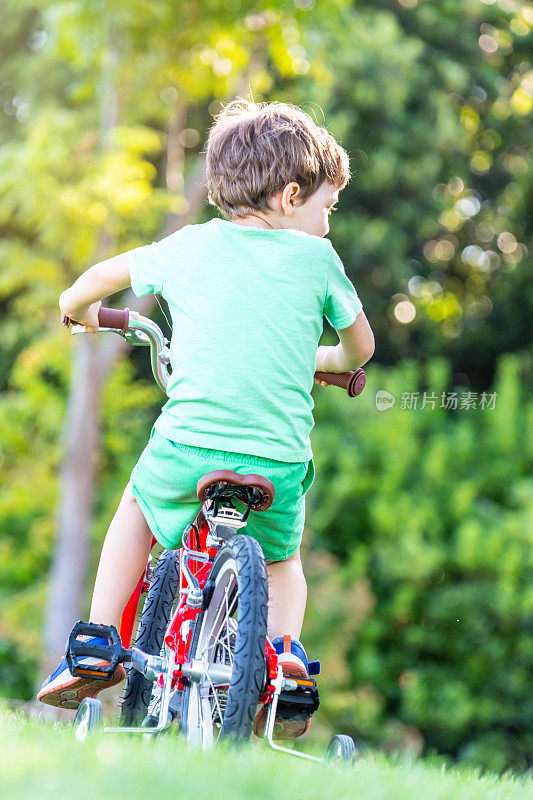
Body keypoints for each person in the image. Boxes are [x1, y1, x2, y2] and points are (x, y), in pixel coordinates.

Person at [37, 97, 375, 738]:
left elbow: (92, 283)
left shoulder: (189, 246)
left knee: (137, 507)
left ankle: (99, 641)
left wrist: (76, 308)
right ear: (289, 195)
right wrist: (321, 360)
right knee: (283, 562)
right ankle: (285, 665)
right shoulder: (319, 262)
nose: (327, 228)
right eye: (325, 211)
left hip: (190, 444)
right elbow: (362, 350)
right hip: (278, 458)